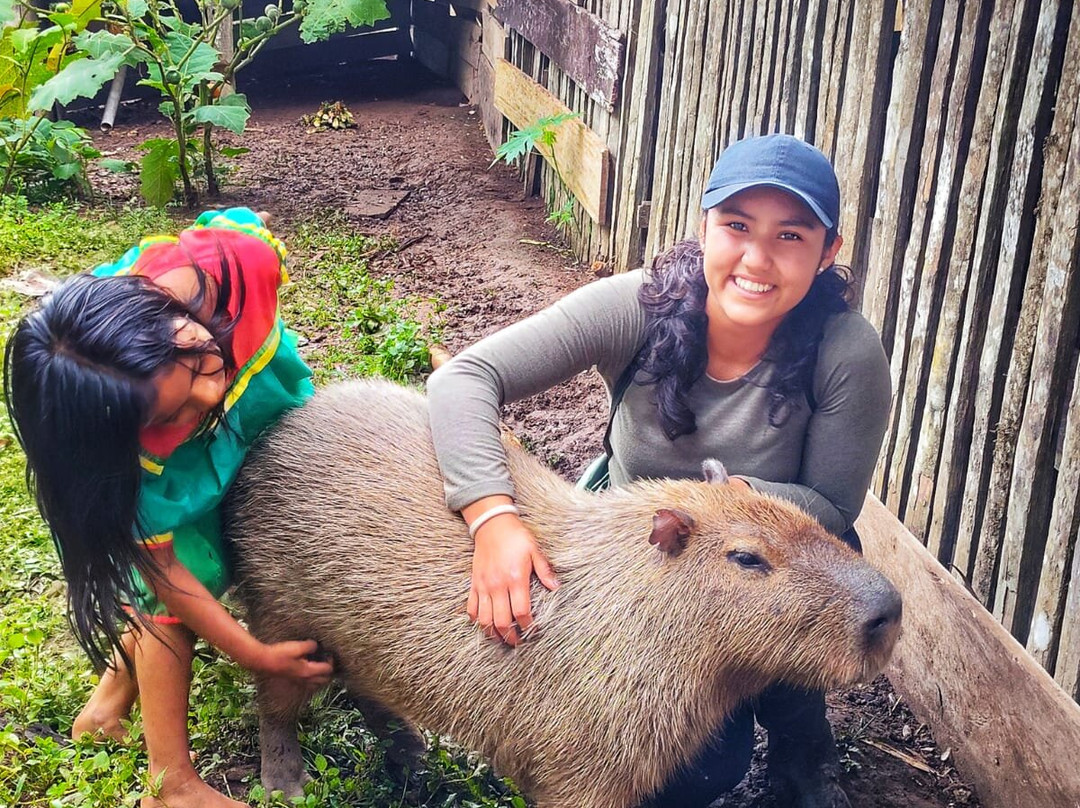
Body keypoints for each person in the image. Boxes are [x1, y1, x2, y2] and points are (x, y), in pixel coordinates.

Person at [426, 134, 892, 808]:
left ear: (827, 252)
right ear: (704, 228)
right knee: (688, 772)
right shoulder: (637, 306)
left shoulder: (846, 350)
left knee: (802, 595)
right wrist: (492, 517)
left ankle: (803, 747)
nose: (757, 259)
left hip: (776, 562)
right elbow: (465, 378)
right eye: (737, 226)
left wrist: (743, 502)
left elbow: (833, 502)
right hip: (645, 566)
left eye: (790, 236)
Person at [3, 208, 334, 808]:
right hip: (176, 465)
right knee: (174, 594)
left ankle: (107, 705)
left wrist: (204, 367)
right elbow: (168, 577)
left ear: (169, 314)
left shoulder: (235, 264)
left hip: (252, 404)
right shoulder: (127, 461)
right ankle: (172, 783)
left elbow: (237, 226)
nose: (210, 391)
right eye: (171, 411)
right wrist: (254, 653)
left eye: (200, 363)